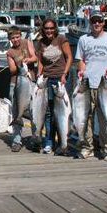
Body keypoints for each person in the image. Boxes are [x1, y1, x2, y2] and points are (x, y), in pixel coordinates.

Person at [76, 12, 107, 161]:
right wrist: (81, 70)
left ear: (103, 23)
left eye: (99, 21)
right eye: (94, 21)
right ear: (90, 23)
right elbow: (81, 59)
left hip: (105, 85)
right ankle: (87, 147)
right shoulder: (83, 39)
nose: (97, 24)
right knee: (86, 118)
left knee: (105, 119)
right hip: (87, 85)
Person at [37, 17, 73, 154]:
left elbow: (69, 57)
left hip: (60, 79)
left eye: (51, 28)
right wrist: (39, 74)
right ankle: (49, 142)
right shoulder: (41, 43)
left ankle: (63, 142)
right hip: (46, 79)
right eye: (46, 28)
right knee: (48, 113)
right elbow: (40, 61)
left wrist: (64, 73)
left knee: (62, 112)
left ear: (55, 28)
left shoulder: (61, 39)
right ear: (43, 29)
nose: (49, 31)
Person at [7, 27, 37, 152]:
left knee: (34, 112)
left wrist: (28, 60)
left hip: (30, 81)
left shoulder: (27, 42)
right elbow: (12, 70)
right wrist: (19, 66)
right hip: (16, 83)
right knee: (16, 112)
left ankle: (36, 139)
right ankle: (16, 140)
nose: (15, 40)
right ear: (10, 39)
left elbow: (35, 57)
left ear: (20, 35)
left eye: (17, 37)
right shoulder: (10, 52)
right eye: (13, 38)